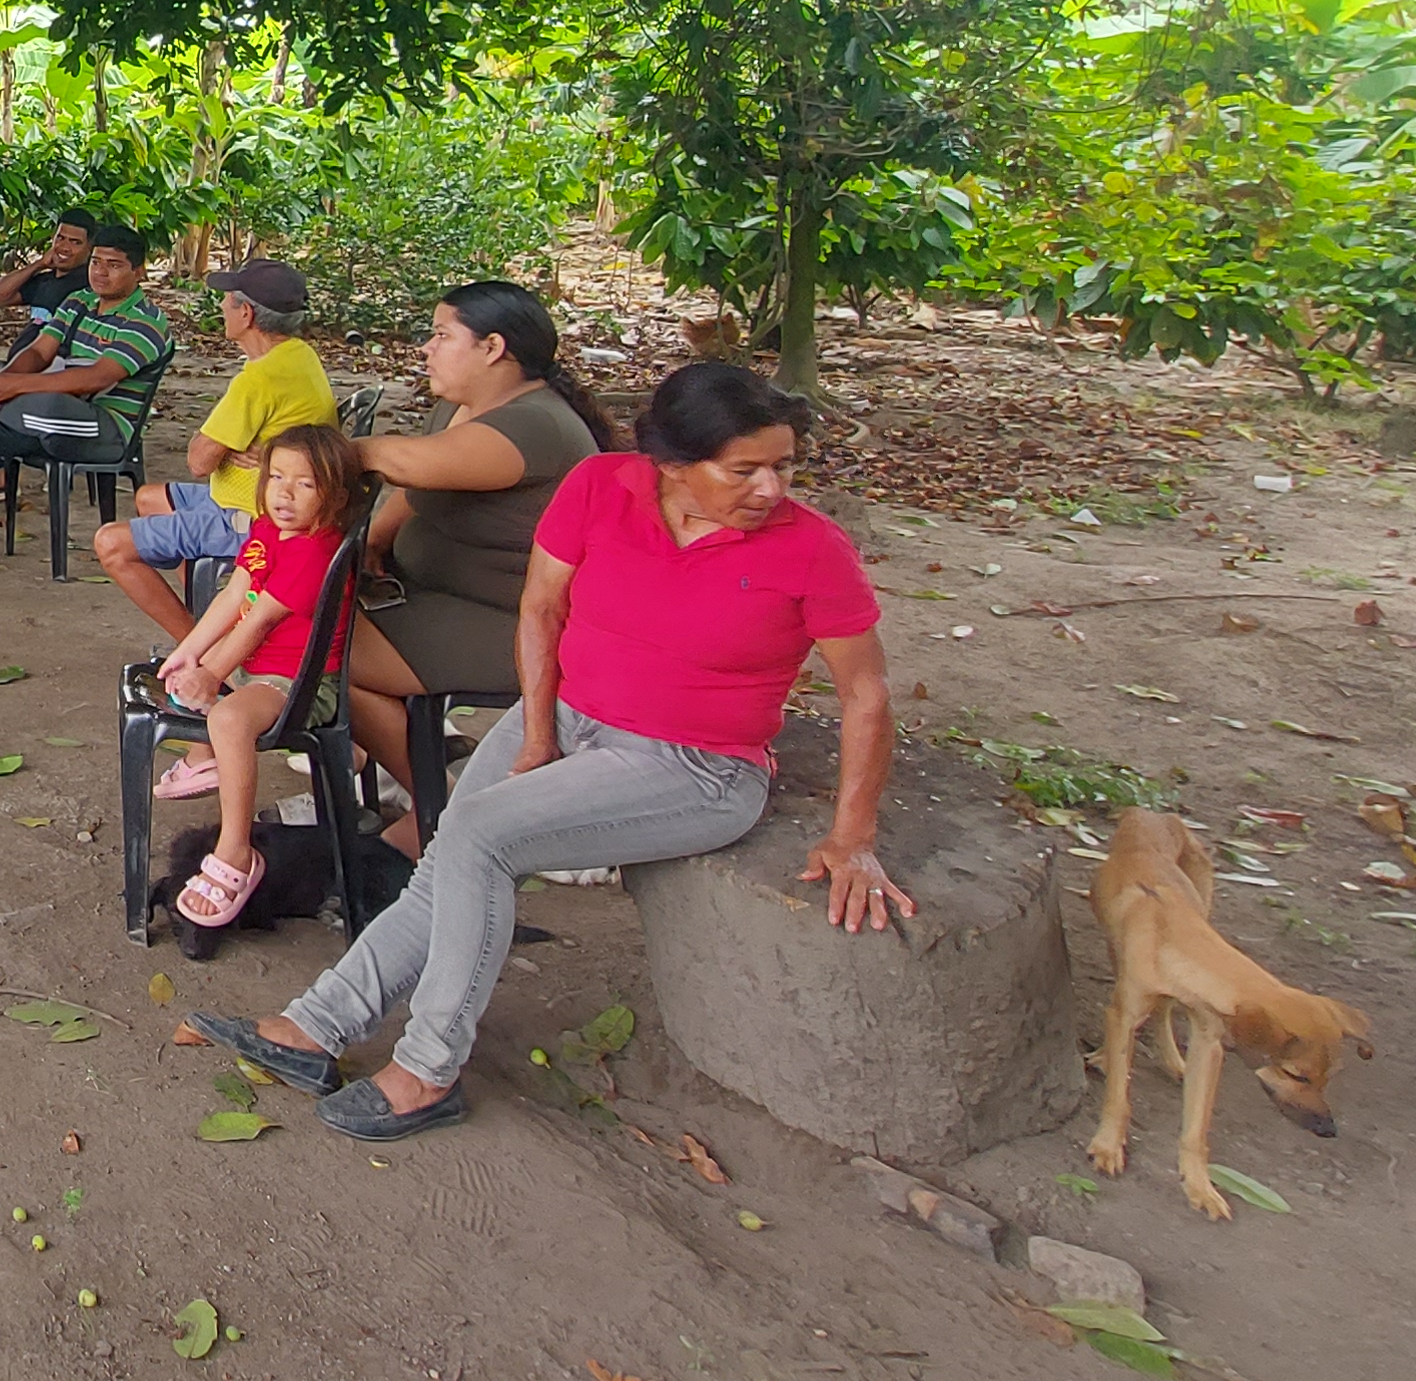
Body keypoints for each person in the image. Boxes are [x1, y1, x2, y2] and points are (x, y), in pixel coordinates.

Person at [206, 358, 912, 1142]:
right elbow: (541, 610)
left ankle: (428, 1070)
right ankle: (315, 1028)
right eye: (745, 470)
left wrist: (853, 837)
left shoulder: (811, 548)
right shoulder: (602, 487)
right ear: (672, 463)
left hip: (693, 764)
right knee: (451, 855)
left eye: (784, 466)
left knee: (477, 836)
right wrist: (541, 733)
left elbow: (866, 695)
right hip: (572, 714)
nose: (772, 489)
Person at [332, 281, 615, 851]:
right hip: (440, 597)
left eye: (442, 335)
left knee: (316, 654)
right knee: (307, 631)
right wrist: (375, 543)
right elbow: (418, 488)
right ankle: (411, 781)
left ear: (492, 347)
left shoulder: (535, 426)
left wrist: (322, 454)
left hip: (518, 626)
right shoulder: (464, 407)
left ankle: (439, 808)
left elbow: (412, 462)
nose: (427, 347)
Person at [149, 427, 357, 922]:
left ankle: (236, 850)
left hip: (296, 682)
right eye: (277, 477)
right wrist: (189, 652)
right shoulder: (267, 529)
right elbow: (233, 594)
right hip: (255, 666)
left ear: (336, 495)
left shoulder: (315, 548)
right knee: (181, 675)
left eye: (305, 484)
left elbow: (261, 618)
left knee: (228, 718)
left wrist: (212, 670)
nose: (285, 493)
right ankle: (206, 757)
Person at [97, 256, 338, 643]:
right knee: (148, 498)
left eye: (227, 300)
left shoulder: (259, 380)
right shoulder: (300, 355)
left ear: (246, 314)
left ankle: (199, 649)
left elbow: (198, 460)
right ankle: (213, 622)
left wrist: (222, 446)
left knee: (111, 543)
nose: (222, 306)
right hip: (254, 496)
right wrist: (232, 448)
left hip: (249, 515)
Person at [0, 223, 179, 575]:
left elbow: (97, 377)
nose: (101, 272)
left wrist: (13, 387)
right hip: (51, 421)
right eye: (96, 262)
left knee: (50, 403)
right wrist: (5, 380)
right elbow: (39, 352)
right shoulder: (78, 302)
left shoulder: (146, 321)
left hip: (104, 431)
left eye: (114, 265)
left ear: (139, 271)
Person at [0, 209, 99, 328]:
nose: (65, 247)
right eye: (60, 238)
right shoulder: (44, 281)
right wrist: (39, 264)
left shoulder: (89, 286)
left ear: (90, 247)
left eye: (75, 242)